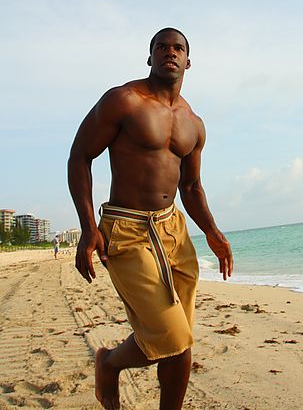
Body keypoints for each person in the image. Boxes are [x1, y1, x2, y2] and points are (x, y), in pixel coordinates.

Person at [67, 28, 233, 410]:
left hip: (173, 229)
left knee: (182, 343)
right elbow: (79, 157)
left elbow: (191, 187)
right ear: (150, 58)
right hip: (126, 230)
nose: (169, 52)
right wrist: (88, 228)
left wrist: (213, 231)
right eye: (161, 47)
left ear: (188, 61)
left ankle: (115, 366)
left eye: (178, 48)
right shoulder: (123, 101)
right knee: (173, 338)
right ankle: (108, 363)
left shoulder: (194, 123)